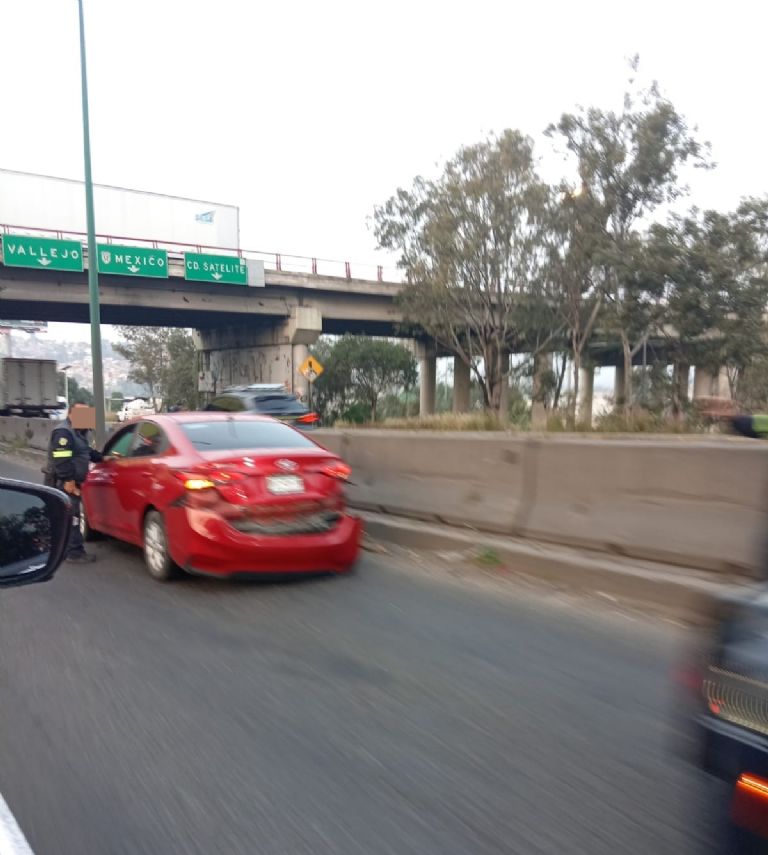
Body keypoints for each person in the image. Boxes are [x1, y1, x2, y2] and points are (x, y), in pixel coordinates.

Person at [47, 403, 103, 563]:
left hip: (72, 481)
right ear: (72, 414)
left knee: (69, 516)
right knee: (72, 517)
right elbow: (61, 459)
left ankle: (63, 549)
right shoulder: (63, 433)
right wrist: (68, 481)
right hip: (64, 482)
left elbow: (86, 452)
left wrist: (103, 458)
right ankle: (74, 552)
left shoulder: (79, 432)